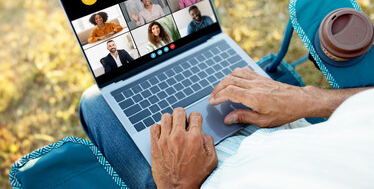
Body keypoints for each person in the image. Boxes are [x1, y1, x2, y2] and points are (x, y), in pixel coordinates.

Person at [79, 67, 373, 188]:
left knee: (95, 102)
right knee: (232, 75)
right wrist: (308, 98)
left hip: (206, 178)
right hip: (295, 128)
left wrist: (178, 184)